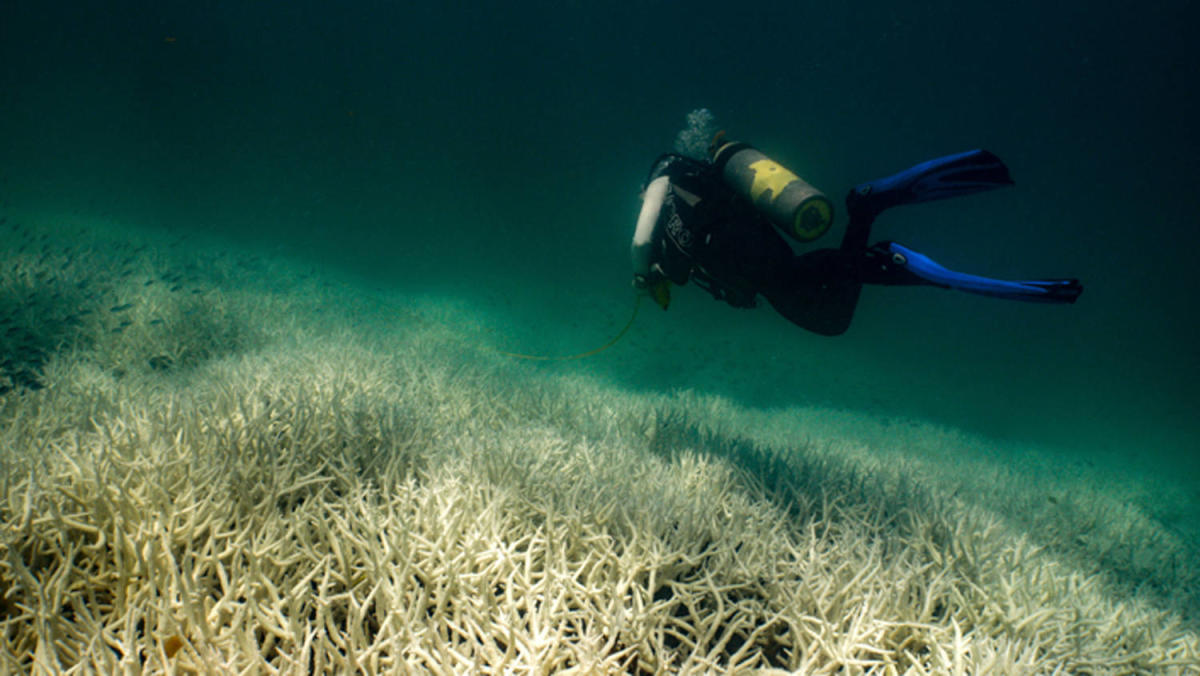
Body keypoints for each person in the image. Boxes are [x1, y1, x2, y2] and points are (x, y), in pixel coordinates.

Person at [630, 129, 1083, 336]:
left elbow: (639, 241)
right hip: (767, 254)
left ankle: (868, 217)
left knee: (831, 321)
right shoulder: (699, 184)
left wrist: (639, 275)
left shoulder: (661, 179)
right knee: (818, 278)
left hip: (760, 267)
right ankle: (875, 240)